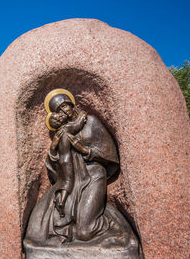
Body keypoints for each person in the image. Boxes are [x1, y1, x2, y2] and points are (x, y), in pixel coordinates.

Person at [25, 89, 134, 248]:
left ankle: (119, 230)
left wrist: (85, 151)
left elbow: (109, 153)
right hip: (72, 180)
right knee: (40, 224)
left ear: (71, 104)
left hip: (94, 176)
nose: (63, 111)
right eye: (59, 111)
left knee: (84, 231)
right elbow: (60, 165)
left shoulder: (91, 122)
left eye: (64, 106)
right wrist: (54, 147)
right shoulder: (63, 132)